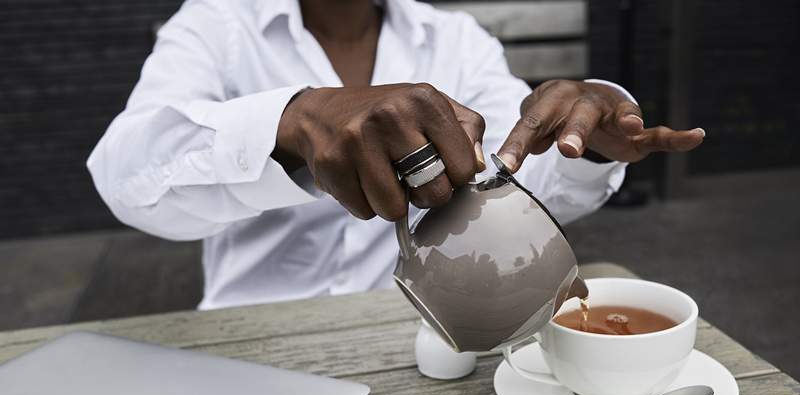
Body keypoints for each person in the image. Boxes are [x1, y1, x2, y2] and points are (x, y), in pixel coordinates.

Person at [87, 0, 703, 310]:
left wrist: (584, 146)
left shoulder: (455, 38)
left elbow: (520, 180)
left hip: (423, 339)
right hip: (255, 334)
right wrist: (291, 121)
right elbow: (124, 174)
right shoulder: (216, 24)